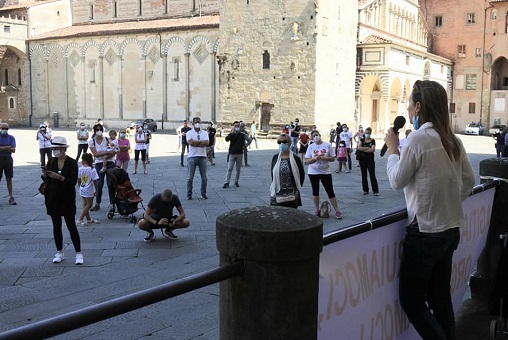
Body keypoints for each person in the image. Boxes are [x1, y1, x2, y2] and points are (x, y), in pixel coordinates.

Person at [384, 80, 475, 340]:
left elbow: (396, 180)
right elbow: (469, 180)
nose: (408, 109)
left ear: (419, 107)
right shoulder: (452, 139)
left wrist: (392, 149)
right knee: (439, 298)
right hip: (450, 228)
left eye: (410, 104)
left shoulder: (418, 139)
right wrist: (446, 201)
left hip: (426, 232)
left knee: (412, 301)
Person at [41, 137, 83, 265]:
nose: (54, 151)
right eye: (53, 148)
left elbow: (73, 181)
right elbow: (46, 179)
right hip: (52, 197)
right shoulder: (51, 161)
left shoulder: (71, 162)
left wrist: (60, 177)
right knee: (56, 226)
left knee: (71, 226)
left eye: (57, 149)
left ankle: (78, 253)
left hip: (67, 198)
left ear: (64, 149)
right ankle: (60, 252)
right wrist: (44, 175)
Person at [304, 130, 343, 219]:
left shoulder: (327, 145)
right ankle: (316, 210)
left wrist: (324, 157)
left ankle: (337, 210)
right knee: (315, 191)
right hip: (313, 172)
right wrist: (314, 159)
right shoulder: (311, 146)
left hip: (325, 171)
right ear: (311, 138)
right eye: (314, 136)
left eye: (317, 135)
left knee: (330, 191)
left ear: (320, 135)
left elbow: (333, 158)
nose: (316, 137)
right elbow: (307, 161)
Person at [270, 133, 305, 208]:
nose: (281, 144)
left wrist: (297, 190)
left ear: (289, 143)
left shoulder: (295, 158)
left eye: (284, 142)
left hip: (291, 193)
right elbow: (272, 174)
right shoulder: (275, 157)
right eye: (279, 142)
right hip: (278, 192)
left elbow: (301, 175)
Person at [89, 124, 116, 211]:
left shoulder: (107, 139)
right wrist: (106, 152)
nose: (99, 131)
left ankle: (112, 203)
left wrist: (107, 153)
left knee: (111, 184)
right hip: (99, 163)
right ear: (94, 131)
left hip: (110, 162)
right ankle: (97, 203)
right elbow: (95, 154)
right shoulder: (92, 141)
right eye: (97, 130)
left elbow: (113, 151)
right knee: (99, 184)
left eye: (100, 129)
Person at [186, 117, 209, 200]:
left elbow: (206, 143)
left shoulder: (205, 133)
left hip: (202, 156)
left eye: (199, 122)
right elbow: (190, 142)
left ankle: (203, 194)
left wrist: (196, 143)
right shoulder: (189, 132)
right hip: (192, 156)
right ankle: (189, 194)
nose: (197, 123)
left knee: (204, 177)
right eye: (196, 122)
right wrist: (200, 142)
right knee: (190, 177)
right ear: (193, 123)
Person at [223, 121, 250, 188]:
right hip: (232, 153)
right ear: (233, 127)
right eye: (235, 126)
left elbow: (249, 140)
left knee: (238, 169)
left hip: (240, 153)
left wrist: (245, 145)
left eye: (238, 126)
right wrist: (232, 133)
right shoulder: (232, 134)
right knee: (230, 168)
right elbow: (226, 139)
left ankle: (236, 181)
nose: (237, 127)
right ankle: (227, 182)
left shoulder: (242, 134)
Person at [76, 153, 99, 226]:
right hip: (89, 189)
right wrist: (97, 190)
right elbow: (95, 181)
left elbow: (78, 179)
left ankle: (88, 219)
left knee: (85, 204)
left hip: (82, 187)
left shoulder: (80, 169)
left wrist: (80, 186)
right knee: (89, 204)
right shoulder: (92, 169)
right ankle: (80, 219)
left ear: (83, 160)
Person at [358, 127, 379, 195]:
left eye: (368, 133)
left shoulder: (372, 140)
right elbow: (359, 148)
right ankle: (365, 190)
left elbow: (372, 150)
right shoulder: (362, 140)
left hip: (370, 160)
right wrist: (367, 148)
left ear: (370, 133)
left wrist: (364, 149)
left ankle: (375, 191)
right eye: (366, 133)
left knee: (372, 175)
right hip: (362, 160)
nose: (367, 134)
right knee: (364, 175)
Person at [0, 123, 16, 205]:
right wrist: (7, 147)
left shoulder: (11, 137)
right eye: (3, 128)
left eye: (6, 129)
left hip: (8, 159)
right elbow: (10, 148)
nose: (5, 130)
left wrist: (1, 148)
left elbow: (13, 150)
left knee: (9, 178)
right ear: (0, 128)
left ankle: (11, 196)